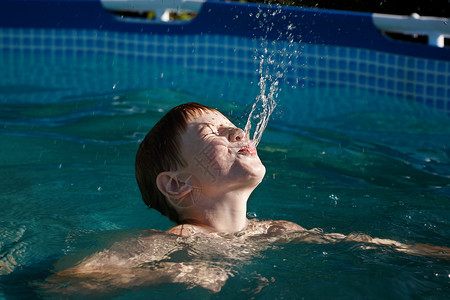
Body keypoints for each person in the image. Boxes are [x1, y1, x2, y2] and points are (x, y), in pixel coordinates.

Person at [44, 102, 448, 296]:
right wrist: (168, 273)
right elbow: (63, 283)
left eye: (231, 126)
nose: (238, 133)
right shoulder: (175, 243)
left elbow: (373, 247)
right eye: (211, 134)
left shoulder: (276, 231)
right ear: (175, 184)